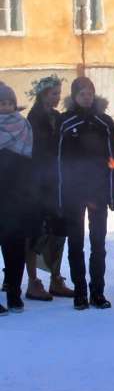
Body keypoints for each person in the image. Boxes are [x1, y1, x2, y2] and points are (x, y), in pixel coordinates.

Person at [58, 77, 114, 310]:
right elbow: (59, 162)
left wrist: (112, 194)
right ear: (74, 96)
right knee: (75, 243)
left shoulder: (104, 122)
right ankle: (80, 291)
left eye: (89, 92)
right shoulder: (66, 122)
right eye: (82, 93)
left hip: (98, 192)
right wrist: (61, 198)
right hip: (74, 193)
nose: (86, 96)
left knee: (98, 243)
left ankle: (97, 292)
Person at [26, 75, 74, 300]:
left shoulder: (58, 116)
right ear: (44, 94)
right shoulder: (33, 118)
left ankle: (55, 279)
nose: (58, 97)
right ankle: (33, 282)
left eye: (59, 92)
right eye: (54, 93)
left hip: (58, 182)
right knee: (36, 233)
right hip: (38, 183)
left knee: (58, 231)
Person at [0, 84, 33, 315]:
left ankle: (14, 293)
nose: (6, 107)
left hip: (18, 195)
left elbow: (31, 162)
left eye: (9, 102)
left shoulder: (24, 126)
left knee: (15, 247)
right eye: (1, 103)